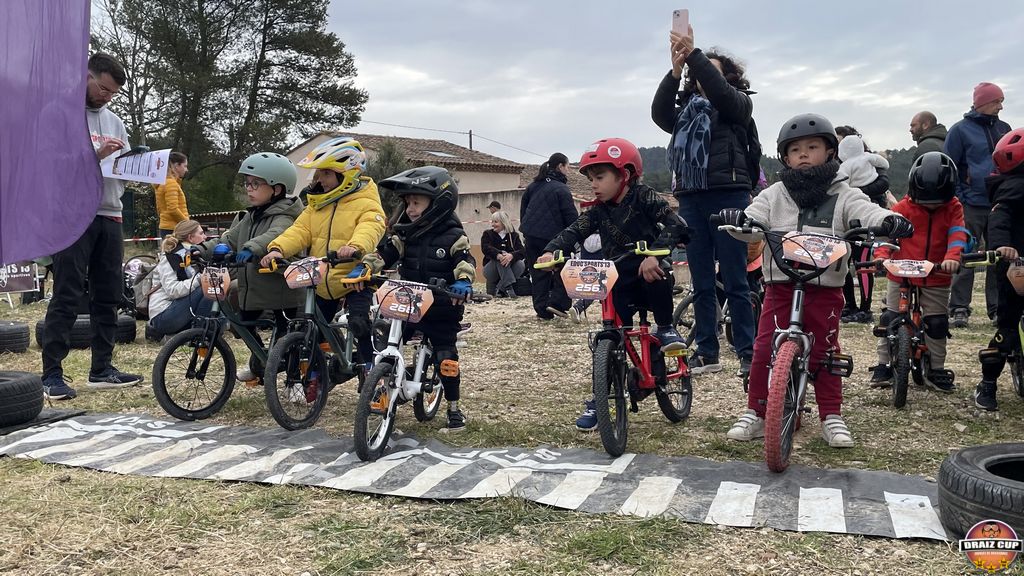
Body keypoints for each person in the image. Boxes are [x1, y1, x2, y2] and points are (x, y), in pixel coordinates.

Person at [720, 114, 913, 448]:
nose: (804, 155)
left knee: (825, 352)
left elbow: (867, 212)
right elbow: (754, 218)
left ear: (830, 152)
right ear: (785, 157)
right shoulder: (775, 193)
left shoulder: (844, 193)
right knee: (763, 349)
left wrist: (889, 220)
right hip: (780, 284)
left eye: (812, 147)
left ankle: (831, 414)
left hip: (825, 288)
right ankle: (756, 411)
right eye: (795, 150)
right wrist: (741, 220)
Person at [535, 138, 689, 431]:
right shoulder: (598, 210)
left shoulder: (645, 197)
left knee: (655, 276)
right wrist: (551, 250)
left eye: (600, 177)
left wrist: (655, 255)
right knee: (609, 338)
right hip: (617, 276)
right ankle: (600, 398)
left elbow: (676, 225)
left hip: (648, 270)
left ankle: (666, 328)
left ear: (625, 175)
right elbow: (573, 231)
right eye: (591, 179)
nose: (594, 184)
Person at [651, 27, 755, 376]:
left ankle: (748, 352)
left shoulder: (738, 105)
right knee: (702, 282)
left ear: (727, 77)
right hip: (691, 199)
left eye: (710, 70)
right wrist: (675, 71)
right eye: (698, 73)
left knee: (737, 280)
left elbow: (722, 94)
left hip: (729, 194)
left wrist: (695, 55)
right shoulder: (684, 114)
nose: (701, 76)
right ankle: (707, 351)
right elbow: (658, 113)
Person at [40, 52, 143, 400]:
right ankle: (52, 374)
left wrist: (140, 167)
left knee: (109, 294)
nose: (107, 97)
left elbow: (123, 168)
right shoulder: (57, 113)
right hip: (71, 214)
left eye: (113, 93)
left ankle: (102, 369)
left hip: (110, 213)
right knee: (68, 293)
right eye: (103, 89)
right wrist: (93, 156)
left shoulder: (115, 121)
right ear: (86, 76)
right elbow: (49, 165)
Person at [361, 166, 476, 431]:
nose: (410, 209)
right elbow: (384, 254)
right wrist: (365, 267)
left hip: (442, 307)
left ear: (438, 204)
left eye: (416, 203)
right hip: (409, 304)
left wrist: (463, 282)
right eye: (407, 203)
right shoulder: (404, 234)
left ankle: (454, 408)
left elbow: (465, 261)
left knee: (446, 357)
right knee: (387, 342)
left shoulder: (454, 236)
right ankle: (383, 385)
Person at [260, 137, 386, 375]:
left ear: (346, 174)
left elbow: (371, 226)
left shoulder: (367, 202)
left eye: (326, 173)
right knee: (311, 328)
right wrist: (277, 249)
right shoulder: (316, 205)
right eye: (318, 174)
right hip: (322, 279)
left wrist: (355, 246)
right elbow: (299, 231)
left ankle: (371, 370)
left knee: (359, 323)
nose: (319, 179)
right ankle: (314, 376)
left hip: (354, 277)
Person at [195, 152, 304, 381]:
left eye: (256, 184)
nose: (249, 189)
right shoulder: (250, 216)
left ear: (277, 188)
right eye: (247, 183)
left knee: (287, 337)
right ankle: (261, 360)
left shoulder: (286, 215)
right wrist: (201, 249)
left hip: (282, 290)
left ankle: (293, 380)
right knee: (242, 324)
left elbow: (275, 234)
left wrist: (251, 248)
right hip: (253, 288)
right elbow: (229, 238)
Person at [869, 152, 968, 392]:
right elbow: (888, 237)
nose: (931, 206)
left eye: (937, 202)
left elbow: (957, 234)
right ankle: (884, 364)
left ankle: (936, 368)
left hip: (937, 274)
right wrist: (881, 256)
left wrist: (952, 257)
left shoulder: (954, 208)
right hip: (901, 273)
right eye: (925, 201)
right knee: (889, 318)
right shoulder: (902, 208)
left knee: (937, 323)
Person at [945, 82, 1012, 328]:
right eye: (997, 102)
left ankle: (998, 308)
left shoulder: (1005, 129)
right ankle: (959, 307)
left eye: (1001, 101)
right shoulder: (959, 131)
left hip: (999, 203)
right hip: (970, 204)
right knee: (966, 255)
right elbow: (950, 166)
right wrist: (960, 197)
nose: (1001, 106)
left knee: (999, 256)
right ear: (982, 102)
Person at [974, 127, 1024, 411]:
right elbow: (999, 219)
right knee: (1008, 329)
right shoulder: (1012, 189)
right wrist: (1002, 246)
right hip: (1015, 266)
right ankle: (988, 382)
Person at [834, 126, 890, 324]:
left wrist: (855, 193)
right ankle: (849, 304)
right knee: (843, 264)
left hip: (864, 220)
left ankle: (865, 308)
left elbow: (883, 183)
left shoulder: (855, 163)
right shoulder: (863, 160)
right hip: (845, 221)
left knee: (862, 263)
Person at [520, 153, 578, 319]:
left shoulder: (533, 186)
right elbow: (570, 216)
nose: (568, 170)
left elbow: (524, 210)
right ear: (560, 166)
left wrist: (526, 230)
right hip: (554, 238)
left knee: (537, 271)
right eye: (567, 167)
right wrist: (575, 236)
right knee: (563, 269)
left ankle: (541, 309)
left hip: (531, 235)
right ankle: (558, 304)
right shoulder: (561, 188)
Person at [147, 220, 215, 338]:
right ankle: (199, 333)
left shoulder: (194, 255)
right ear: (190, 237)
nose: (205, 237)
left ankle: (202, 330)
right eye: (201, 233)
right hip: (163, 316)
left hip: (178, 310)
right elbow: (173, 290)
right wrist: (199, 279)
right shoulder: (171, 257)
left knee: (214, 287)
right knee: (208, 287)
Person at [480, 210, 525, 297]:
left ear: (503, 222)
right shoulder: (487, 234)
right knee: (501, 258)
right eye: (492, 222)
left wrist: (511, 256)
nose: (493, 224)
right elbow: (485, 248)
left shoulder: (514, 235)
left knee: (520, 264)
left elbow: (522, 251)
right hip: (491, 270)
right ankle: (508, 287)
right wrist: (498, 255)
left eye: (495, 222)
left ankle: (501, 288)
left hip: (508, 269)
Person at [156, 152, 190, 237]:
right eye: (185, 166)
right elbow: (173, 209)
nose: (186, 170)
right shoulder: (171, 183)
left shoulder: (163, 183)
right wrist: (188, 224)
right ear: (177, 166)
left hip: (167, 226)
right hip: (174, 228)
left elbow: (160, 209)